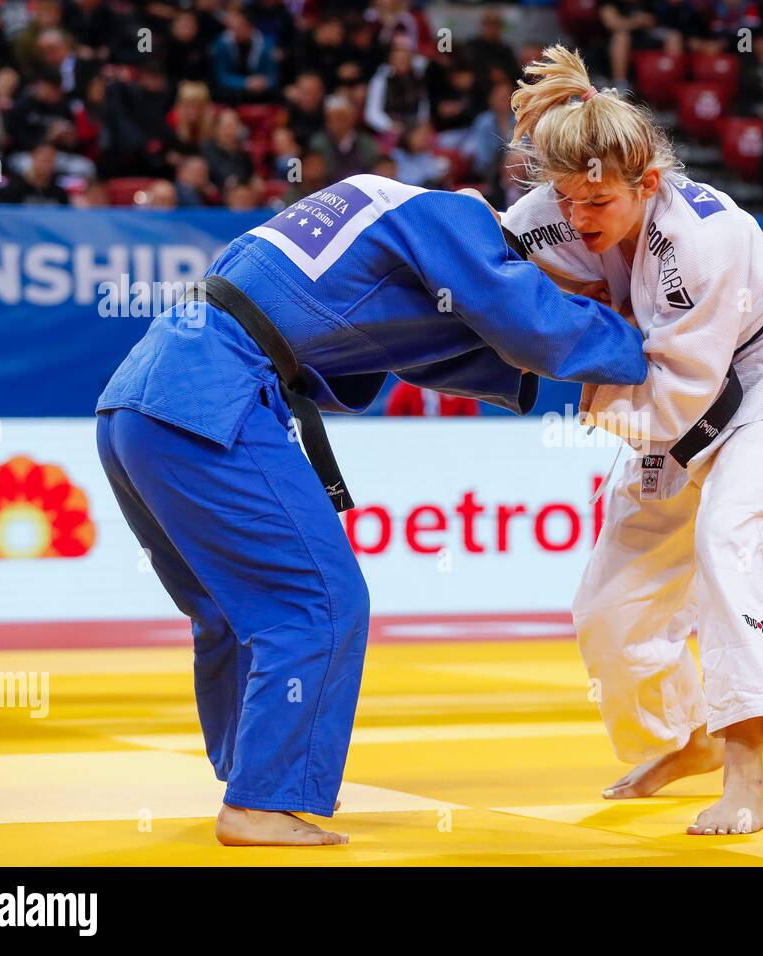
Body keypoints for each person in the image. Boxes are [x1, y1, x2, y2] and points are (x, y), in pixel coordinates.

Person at [96, 175, 647, 847]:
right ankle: (261, 801)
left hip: (138, 403)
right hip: (215, 400)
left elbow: (418, 348)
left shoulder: (362, 206)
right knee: (319, 603)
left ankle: (248, 775)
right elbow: (520, 315)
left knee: (230, 610)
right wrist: (643, 346)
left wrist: (542, 358)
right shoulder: (451, 216)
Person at [502, 47, 763, 836]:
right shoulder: (546, 218)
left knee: (726, 540)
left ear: (649, 184)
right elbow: (483, 266)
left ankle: (746, 778)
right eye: (566, 198)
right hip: (678, 389)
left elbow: (678, 401)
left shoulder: (705, 240)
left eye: (598, 199)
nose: (579, 218)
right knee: (608, 602)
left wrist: (591, 376)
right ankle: (681, 738)